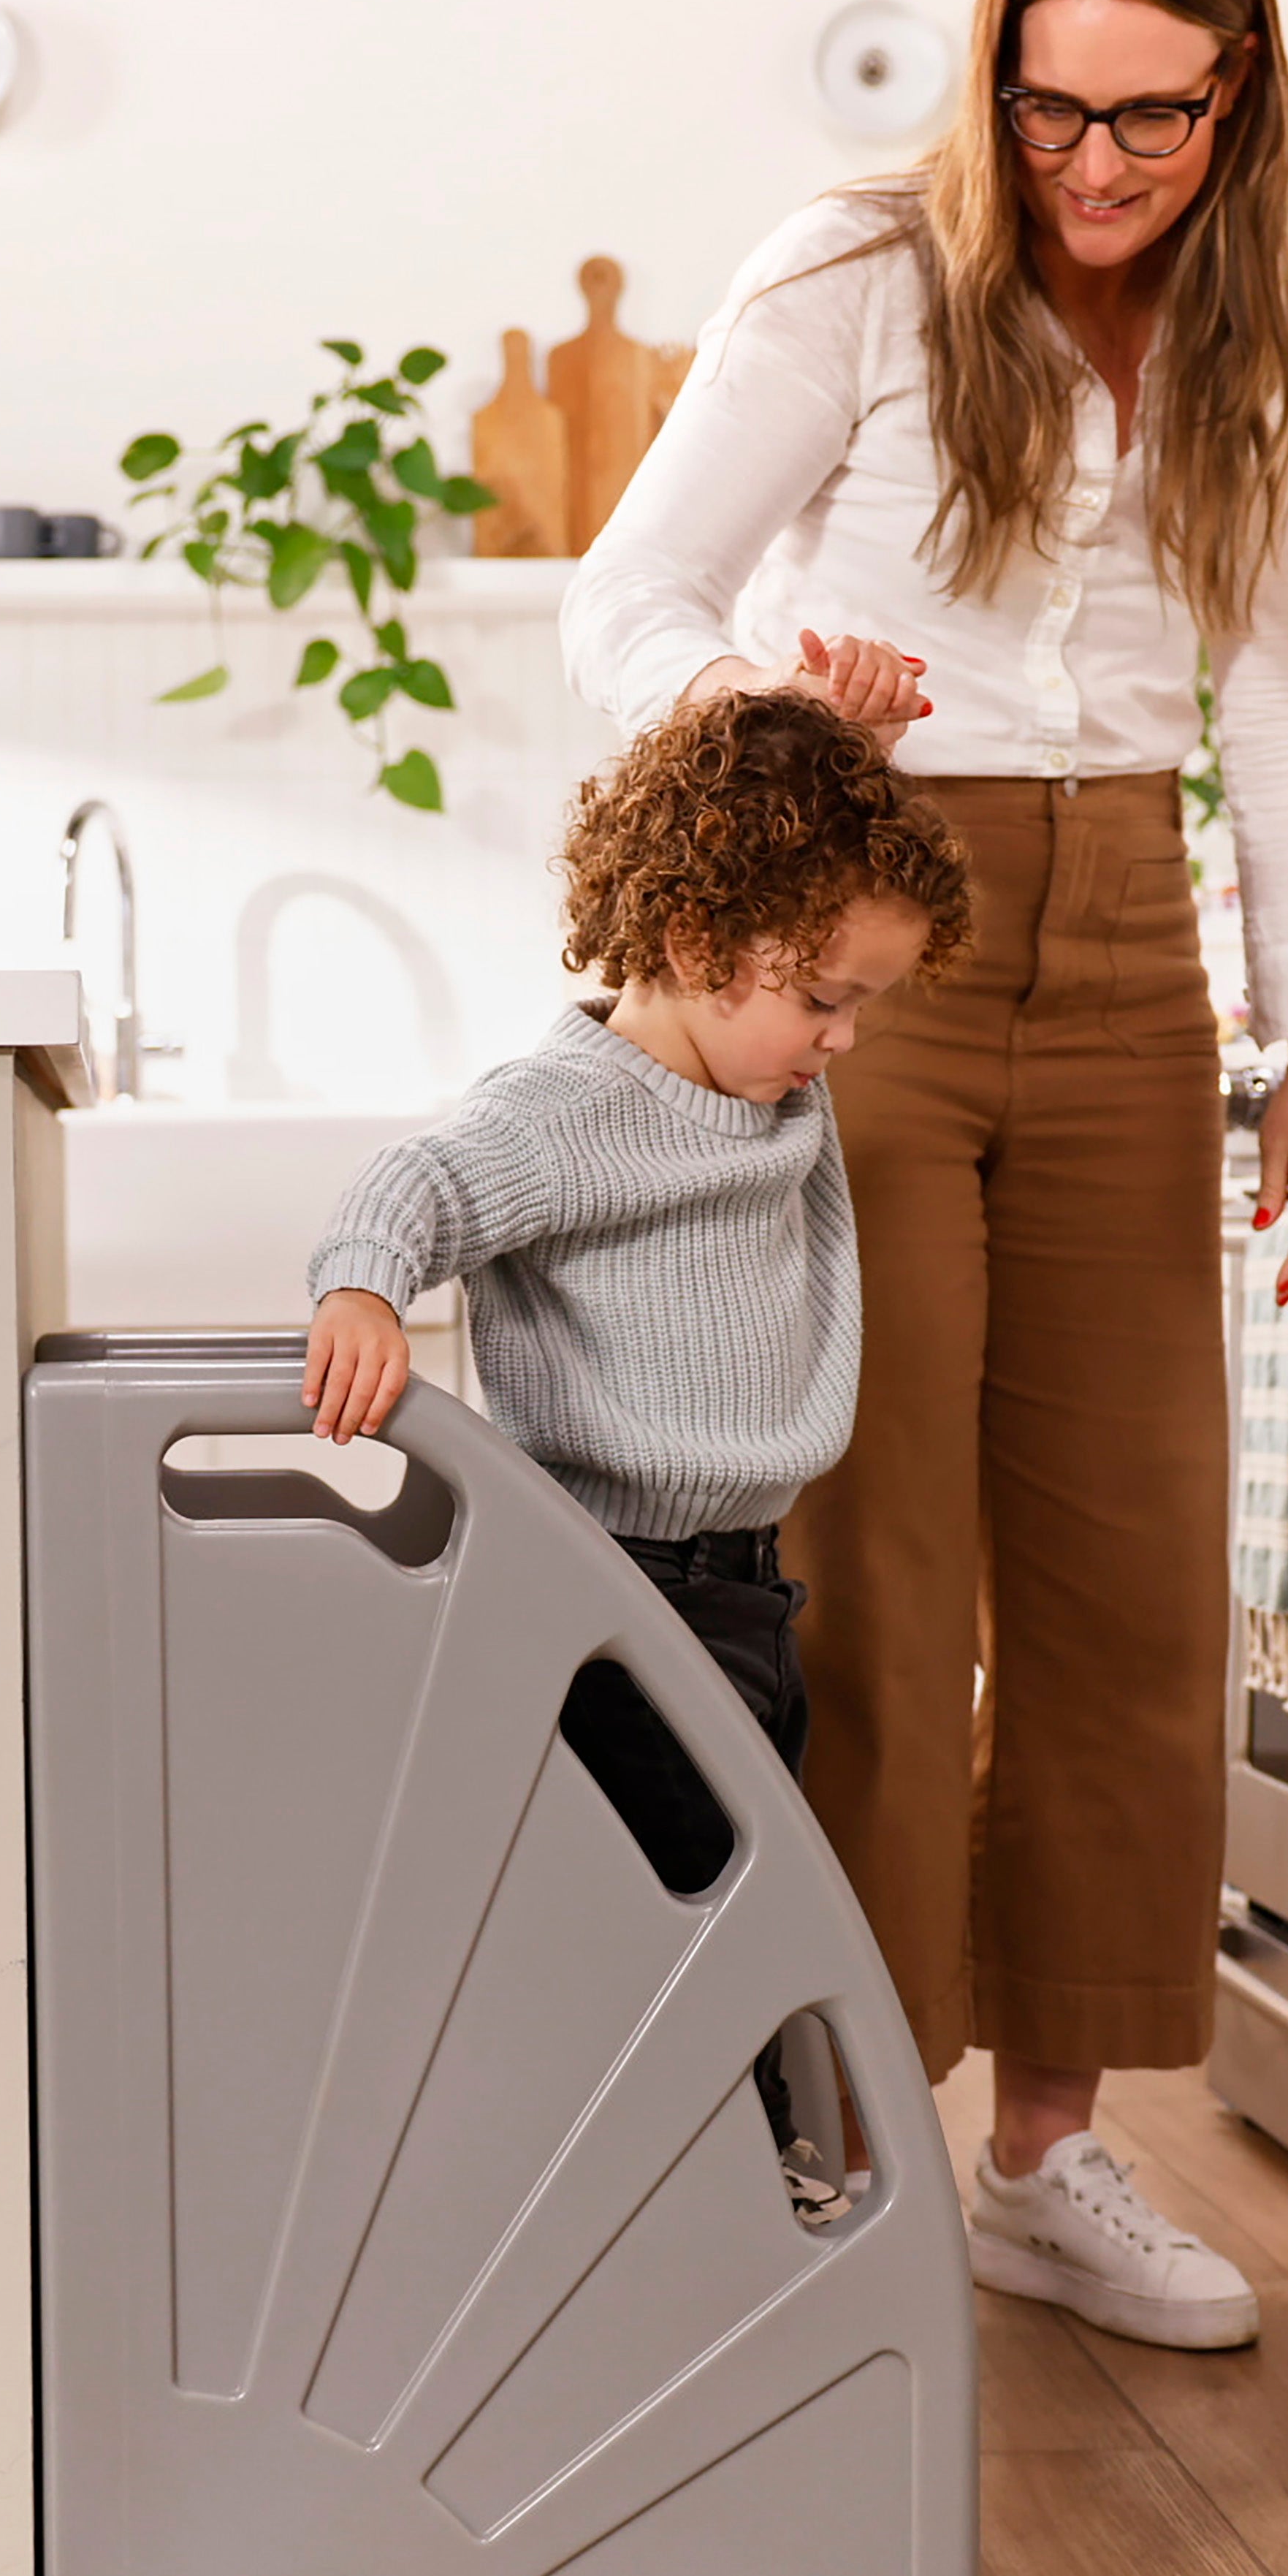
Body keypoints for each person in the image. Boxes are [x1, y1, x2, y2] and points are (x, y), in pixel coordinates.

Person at [558, 0, 1288, 2349]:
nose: (1094, 167)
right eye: (1049, 111)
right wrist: (775, 696)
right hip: (870, 937)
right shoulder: (855, 274)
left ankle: (1044, 2159)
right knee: (877, 1573)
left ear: (1238, 98)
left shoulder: (1275, 336)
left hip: (1135, 942)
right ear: (993, 78)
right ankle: (838, 2154)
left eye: (1152, 118)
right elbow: (631, 598)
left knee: (1130, 1572)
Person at [302, 691, 974, 2217]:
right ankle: (720, 2199)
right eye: (826, 999)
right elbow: (411, 1185)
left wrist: (842, 761)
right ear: (690, 938)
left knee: (738, 1905)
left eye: (859, 1005)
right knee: (679, 1913)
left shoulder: (768, 1079)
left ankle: (730, 2191)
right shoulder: (563, 1114)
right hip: (613, 1594)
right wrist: (361, 1287)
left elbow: (792, 873)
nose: (844, 1039)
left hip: (745, 1595)